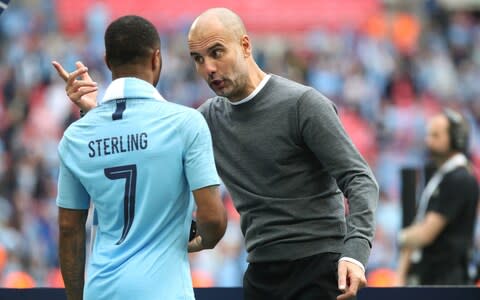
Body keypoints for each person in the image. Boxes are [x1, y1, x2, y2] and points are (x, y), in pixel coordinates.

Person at [54, 8, 378, 300]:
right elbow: (142, 145)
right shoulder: (204, 119)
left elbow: (360, 179)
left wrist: (354, 252)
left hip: (319, 267)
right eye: (197, 58)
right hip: (260, 273)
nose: (208, 68)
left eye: (216, 52)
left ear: (246, 46)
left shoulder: (303, 105)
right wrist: (95, 115)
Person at [54, 15, 227, 300]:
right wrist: (199, 241)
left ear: (108, 61)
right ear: (156, 58)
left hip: (102, 290)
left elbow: (68, 229)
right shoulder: (185, 123)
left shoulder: (77, 136)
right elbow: (214, 220)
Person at [396, 109, 479, 286]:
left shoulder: (460, 179)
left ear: (456, 138)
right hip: (431, 275)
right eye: (428, 134)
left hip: (447, 280)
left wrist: (402, 237)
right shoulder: (438, 174)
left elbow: (426, 233)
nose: (428, 141)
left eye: (435, 135)